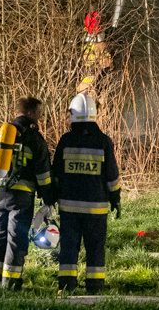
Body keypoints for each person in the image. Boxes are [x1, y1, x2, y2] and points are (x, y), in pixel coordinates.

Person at [0, 97, 55, 290]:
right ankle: (11, 283)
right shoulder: (34, 138)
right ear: (30, 113)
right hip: (21, 198)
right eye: (38, 113)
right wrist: (48, 197)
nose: (40, 117)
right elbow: (44, 174)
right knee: (16, 239)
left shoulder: (0, 132)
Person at [52, 92, 120, 294]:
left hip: (69, 207)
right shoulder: (104, 142)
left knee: (69, 247)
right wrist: (115, 198)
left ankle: (66, 287)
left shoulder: (65, 140)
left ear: (73, 115)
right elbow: (112, 175)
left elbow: (56, 173)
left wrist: (51, 196)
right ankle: (95, 288)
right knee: (96, 248)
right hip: (96, 208)